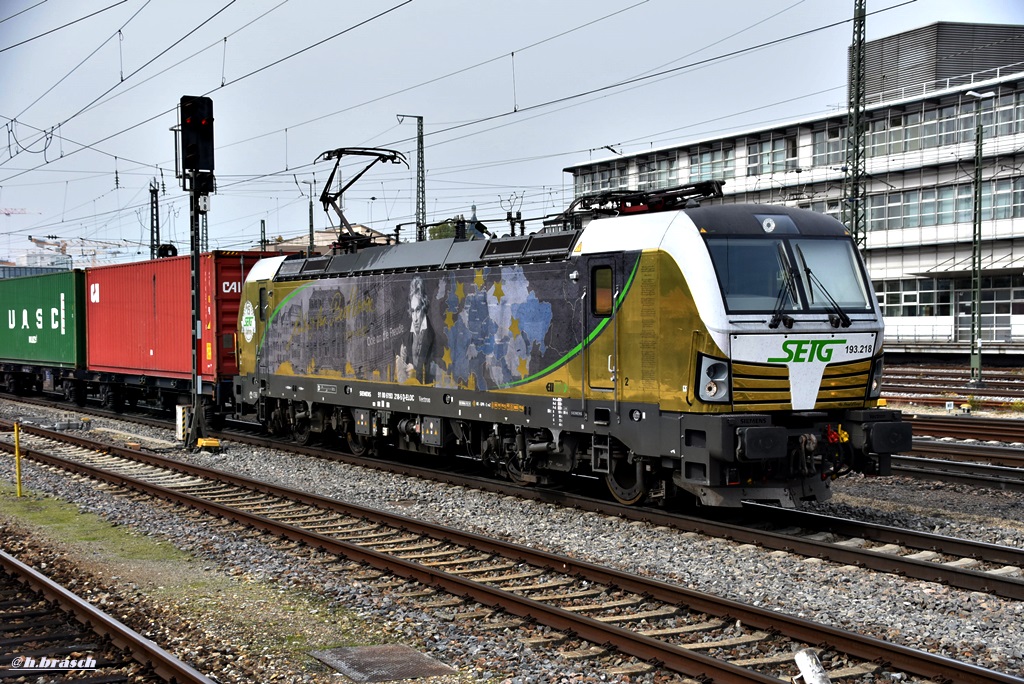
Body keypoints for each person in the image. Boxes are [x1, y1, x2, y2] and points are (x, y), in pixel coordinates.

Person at [396, 276, 435, 383]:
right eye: (413, 311)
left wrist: (416, 373)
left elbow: (435, 370)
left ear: (423, 308)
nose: (416, 318)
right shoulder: (406, 337)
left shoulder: (432, 335)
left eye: (418, 310)